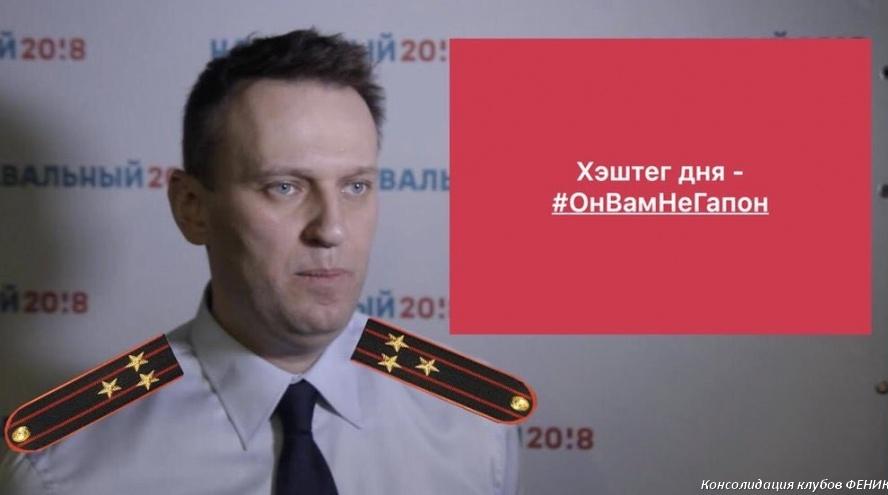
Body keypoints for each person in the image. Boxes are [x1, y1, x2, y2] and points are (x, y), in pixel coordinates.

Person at [0, 28, 524, 494]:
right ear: (192, 207)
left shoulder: (472, 426)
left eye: (355, 186)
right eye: (285, 187)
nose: (332, 228)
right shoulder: (65, 463)